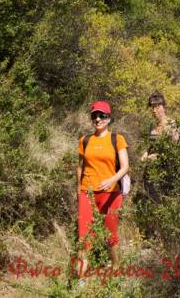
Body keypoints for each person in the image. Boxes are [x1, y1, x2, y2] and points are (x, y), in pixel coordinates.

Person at [76, 101, 129, 275]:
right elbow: (80, 167)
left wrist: (111, 180)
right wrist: (79, 189)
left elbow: (125, 167)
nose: (97, 119)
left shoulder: (117, 139)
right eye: (94, 116)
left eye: (101, 115)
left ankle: (115, 269)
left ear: (109, 118)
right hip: (88, 192)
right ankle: (80, 280)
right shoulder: (85, 140)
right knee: (84, 236)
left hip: (111, 193)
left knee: (110, 235)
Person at [141, 92, 180, 162]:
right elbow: (152, 146)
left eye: (157, 107)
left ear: (164, 107)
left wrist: (157, 155)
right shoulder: (152, 125)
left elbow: (176, 148)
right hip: (152, 167)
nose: (154, 110)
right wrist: (145, 154)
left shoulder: (172, 124)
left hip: (168, 166)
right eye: (152, 107)